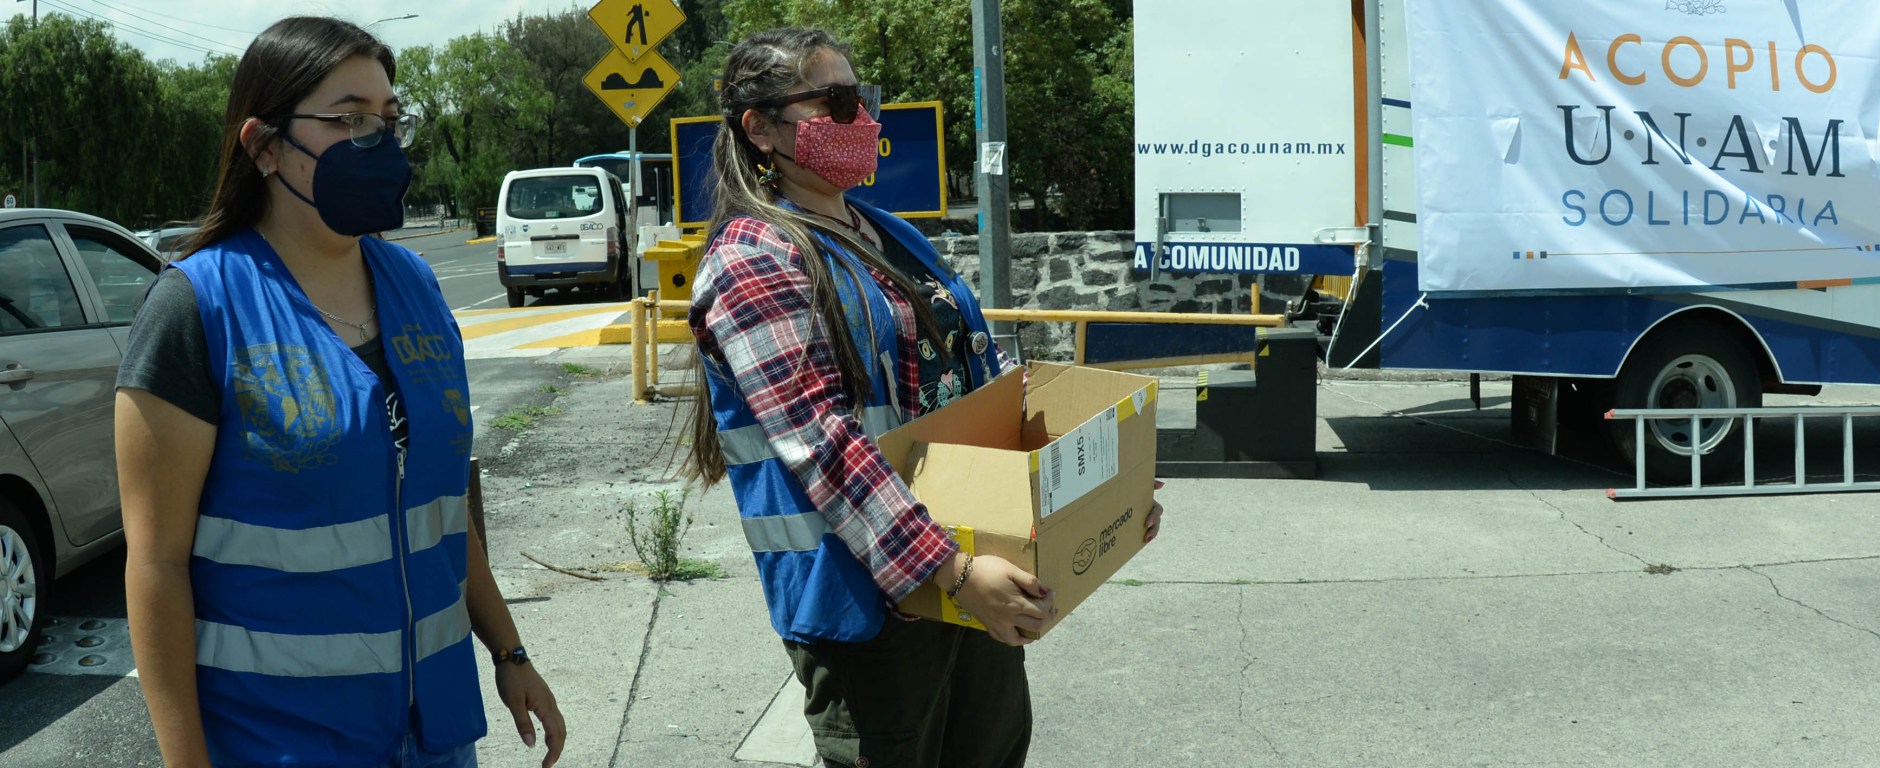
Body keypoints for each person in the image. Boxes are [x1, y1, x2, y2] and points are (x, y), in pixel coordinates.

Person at [683, 28, 1163, 768]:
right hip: (870, 607)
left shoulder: (888, 234)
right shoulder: (753, 259)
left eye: (863, 98)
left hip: (966, 582)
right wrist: (954, 572)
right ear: (762, 128)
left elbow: (980, 378)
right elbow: (824, 442)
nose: (863, 120)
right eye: (836, 101)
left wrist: (1102, 487)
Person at [114, 17, 565, 768]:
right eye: (349, 120)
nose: (379, 143)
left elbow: (442, 512)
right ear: (263, 146)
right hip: (283, 742)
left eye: (389, 121)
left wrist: (510, 650)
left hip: (439, 736)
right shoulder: (197, 308)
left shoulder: (415, 287)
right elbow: (156, 565)